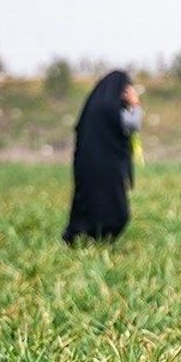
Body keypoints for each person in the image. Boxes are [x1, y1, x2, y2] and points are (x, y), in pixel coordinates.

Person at [62, 70, 142, 244]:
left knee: (88, 201)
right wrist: (135, 104)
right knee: (115, 206)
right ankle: (104, 236)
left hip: (86, 164)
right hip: (109, 167)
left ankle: (83, 235)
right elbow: (133, 124)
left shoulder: (94, 106)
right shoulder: (110, 109)